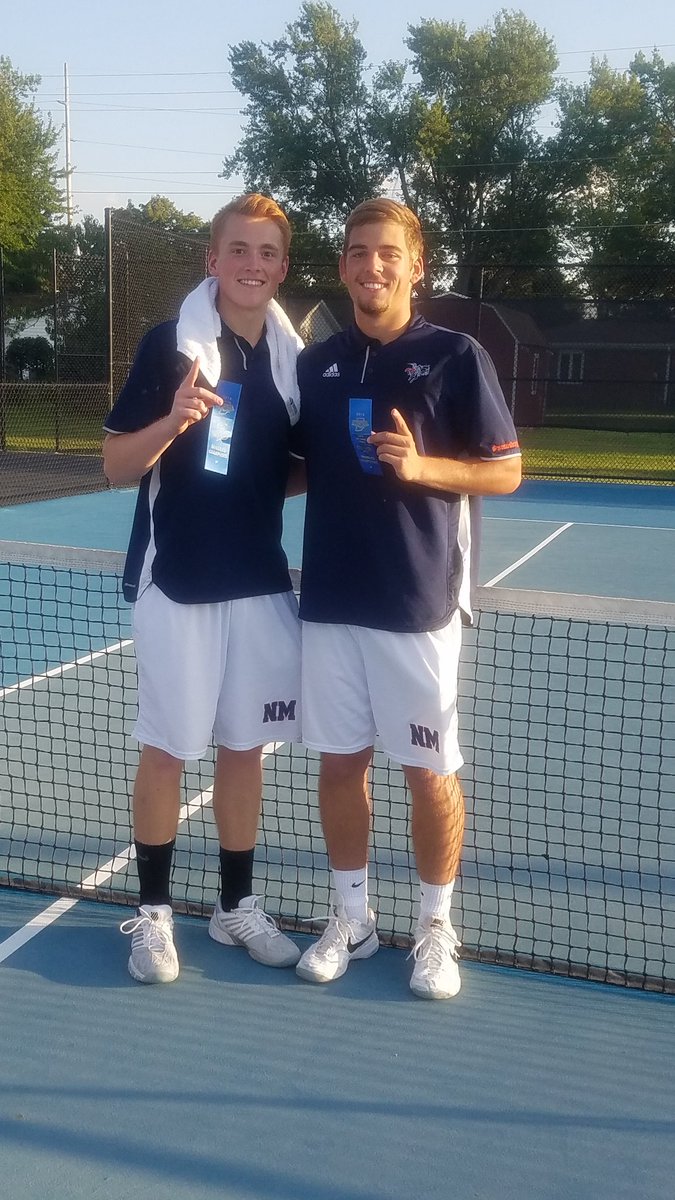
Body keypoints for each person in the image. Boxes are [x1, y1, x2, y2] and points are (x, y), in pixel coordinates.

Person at [293, 199, 522, 1000]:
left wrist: (425, 470)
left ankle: (433, 927)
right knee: (338, 766)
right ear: (344, 266)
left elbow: (504, 471)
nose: (371, 266)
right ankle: (351, 917)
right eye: (357, 252)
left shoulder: (455, 355)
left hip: (418, 604)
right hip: (327, 602)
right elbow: (294, 468)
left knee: (428, 772)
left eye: (387, 253)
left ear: (414, 265)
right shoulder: (313, 365)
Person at [102, 193, 304, 984]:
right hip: (177, 582)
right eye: (239, 250)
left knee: (244, 749)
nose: (253, 265)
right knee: (167, 751)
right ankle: (153, 918)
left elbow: (275, 474)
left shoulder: (292, 359)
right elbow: (118, 466)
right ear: (211, 260)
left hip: (256, 585)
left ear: (282, 268)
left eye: (267, 253)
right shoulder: (168, 348)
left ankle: (233, 908)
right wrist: (175, 420)